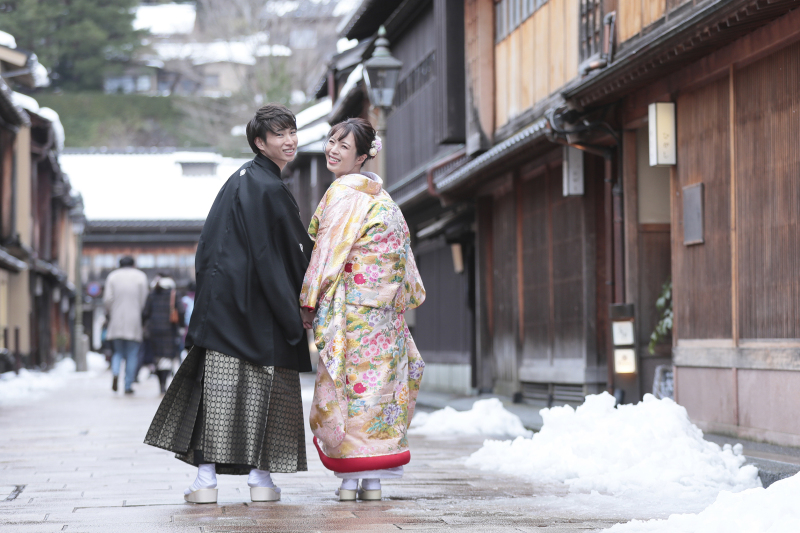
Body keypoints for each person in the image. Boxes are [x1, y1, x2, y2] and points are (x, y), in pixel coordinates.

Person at [144, 104, 313, 505]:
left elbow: (207, 248)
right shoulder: (271, 187)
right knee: (267, 394)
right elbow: (289, 252)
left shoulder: (238, 179)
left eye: (292, 132)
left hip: (222, 305)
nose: (289, 140)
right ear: (260, 142)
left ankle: (205, 483)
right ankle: (262, 480)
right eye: (279, 134)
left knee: (216, 395)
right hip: (262, 307)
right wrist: (303, 299)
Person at [300, 118, 426, 502]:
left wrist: (309, 299)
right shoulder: (384, 199)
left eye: (343, 145)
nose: (332, 149)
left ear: (362, 155)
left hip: (354, 313)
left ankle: (351, 478)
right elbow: (407, 268)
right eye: (331, 141)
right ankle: (374, 479)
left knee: (350, 391)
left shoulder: (344, 194)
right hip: (385, 316)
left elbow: (327, 254)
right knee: (381, 393)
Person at [103, 256, 149, 394]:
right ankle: (128, 385)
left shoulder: (113, 276)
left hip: (116, 321)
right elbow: (144, 300)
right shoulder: (141, 277)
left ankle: (116, 372)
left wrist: (111, 312)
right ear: (134, 264)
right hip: (134, 321)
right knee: (132, 354)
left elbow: (107, 300)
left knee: (118, 352)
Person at [142, 274, 184, 394]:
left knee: (157, 357)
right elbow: (181, 310)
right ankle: (164, 383)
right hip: (169, 330)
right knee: (167, 358)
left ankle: (160, 383)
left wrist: (145, 325)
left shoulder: (151, 295)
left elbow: (145, 313)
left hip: (154, 330)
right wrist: (180, 326)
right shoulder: (174, 295)